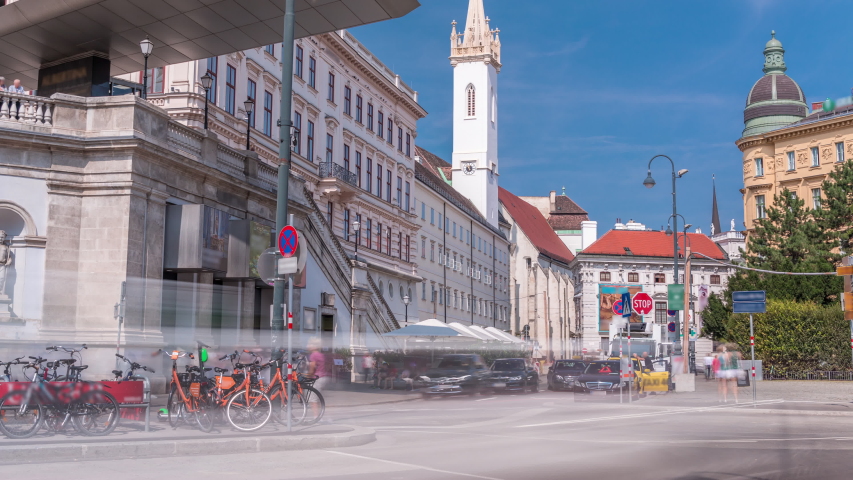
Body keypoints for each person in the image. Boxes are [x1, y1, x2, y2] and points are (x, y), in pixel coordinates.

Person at [306, 337, 331, 420]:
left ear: (315, 346)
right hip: (324, 377)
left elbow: (312, 367)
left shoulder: (313, 355)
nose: (308, 346)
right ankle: (322, 416)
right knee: (319, 398)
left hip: (318, 378)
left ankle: (316, 417)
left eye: (310, 344)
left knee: (313, 399)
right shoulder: (321, 354)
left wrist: (308, 375)